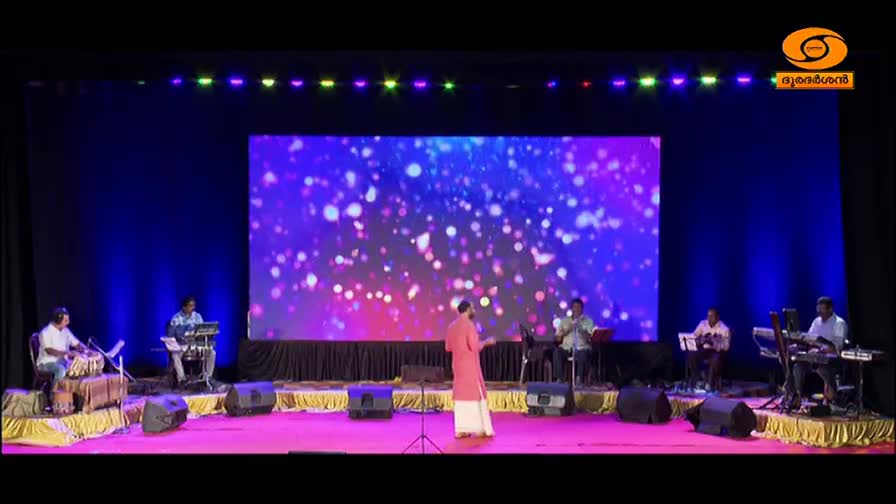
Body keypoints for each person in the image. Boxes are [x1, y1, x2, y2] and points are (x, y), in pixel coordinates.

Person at [445, 300, 496, 438]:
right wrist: (487, 342)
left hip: (458, 367)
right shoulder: (469, 325)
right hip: (470, 368)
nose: (474, 310)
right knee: (475, 395)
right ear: (467, 309)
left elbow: (448, 347)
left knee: (461, 397)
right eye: (473, 308)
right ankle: (480, 429)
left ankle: (461, 429)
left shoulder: (451, 326)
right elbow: (475, 347)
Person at [789, 296, 848, 406]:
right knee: (798, 367)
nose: (820, 313)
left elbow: (837, 346)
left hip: (832, 360)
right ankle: (797, 397)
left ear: (830, 309)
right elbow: (809, 339)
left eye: (823, 310)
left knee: (821, 367)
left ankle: (833, 396)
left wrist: (821, 350)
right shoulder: (816, 322)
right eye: (818, 310)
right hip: (815, 358)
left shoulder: (839, 323)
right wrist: (799, 344)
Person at [168, 296, 216, 387]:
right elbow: (171, 334)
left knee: (212, 352)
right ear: (184, 307)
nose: (192, 308)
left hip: (196, 344)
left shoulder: (197, 316)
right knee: (175, 354)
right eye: (190, 306)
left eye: (193, 305)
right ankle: (182, 379)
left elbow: (202, 330)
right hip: (183, 345)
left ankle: (207, 378)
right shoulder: (176, 318)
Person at [36, 307, 87, 388]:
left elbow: (76, 343)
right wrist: (68, 353)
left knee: (79, 368)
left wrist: (85, 349)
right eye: (66, 321)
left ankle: (74, 395)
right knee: (61, 370)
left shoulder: (66, 331)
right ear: (57, 321)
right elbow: (49, 351)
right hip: (47, 363)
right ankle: (56, 396)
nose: (68, 322)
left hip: (63, 361)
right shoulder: (45, 332)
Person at [686, 307, 731, 392]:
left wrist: (716, 343)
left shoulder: (724, 329)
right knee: (691, 355)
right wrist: (700, 340)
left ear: (717, 317)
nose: (709, 319)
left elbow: (726, 347)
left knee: (716, 359)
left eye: (712, 316)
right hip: (704, 350)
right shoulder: (703, 324)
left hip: (716, 351)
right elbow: (693, 336)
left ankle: (709, 384)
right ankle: (697, 379)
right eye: (708, 316)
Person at [553, 298, 594, 385]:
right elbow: (557, 338)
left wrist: (580, 328)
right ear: (571, 308)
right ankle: (559, 379)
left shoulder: (588, 321)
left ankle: (579, 379)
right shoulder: (564, 321)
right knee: (557, 352)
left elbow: (589, 338)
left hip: (581, 347)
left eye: (579, 307)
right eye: (575, 307)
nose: (577, 309)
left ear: (582, 309)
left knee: (584, 353)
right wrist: (568, 330)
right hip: (567, 348)